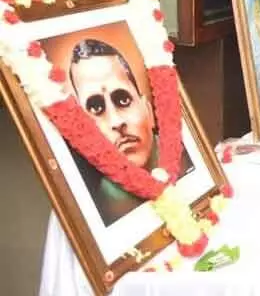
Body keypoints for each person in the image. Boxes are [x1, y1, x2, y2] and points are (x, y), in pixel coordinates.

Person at [69, 39, 191, 225]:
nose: (117, 122)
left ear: (149, 111)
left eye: (123, 100)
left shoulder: (187, 162)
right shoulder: (103, 201)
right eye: (96, 108)